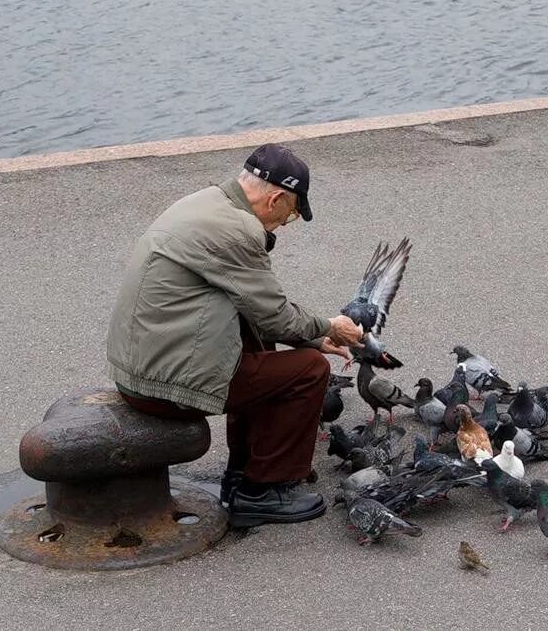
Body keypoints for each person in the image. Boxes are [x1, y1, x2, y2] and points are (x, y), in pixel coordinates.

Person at [106, 143, 364, 527]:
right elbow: (275, 314)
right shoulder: (238, 230)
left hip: (140, 367)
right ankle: (263, 491)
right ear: (276, 198)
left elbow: (256, 307)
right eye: (291, 214)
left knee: (257, 341)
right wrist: (329, 329)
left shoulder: (206, 203)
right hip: (160, 387)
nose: (283, 224)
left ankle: (241, 474)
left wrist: (311, 335)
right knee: (308, 370)